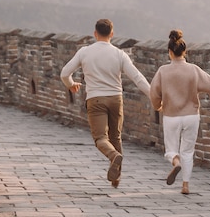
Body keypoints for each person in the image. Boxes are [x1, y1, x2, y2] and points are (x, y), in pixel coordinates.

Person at [61, 19, 151, 188]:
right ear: (112, 34)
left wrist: (71, 85)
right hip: (116, 98)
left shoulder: (84, 52)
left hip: (95, 99)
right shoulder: (119, 54)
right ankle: (117, 177)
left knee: (100, 138)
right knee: (115, 137)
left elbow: (65, 73)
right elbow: (137, 78)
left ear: (95, 33)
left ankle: (113, 156)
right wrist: (154, 96)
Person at [150, 30, 210, 194]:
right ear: (185, 52)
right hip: (191, 116)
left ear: (170, 52)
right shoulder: (193, 70)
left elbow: (154, 93)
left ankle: (175, 162)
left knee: (171, 149)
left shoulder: (163, 71)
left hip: (171, 116)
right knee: (188, 151)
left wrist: (158, 106)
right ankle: (186, 185)